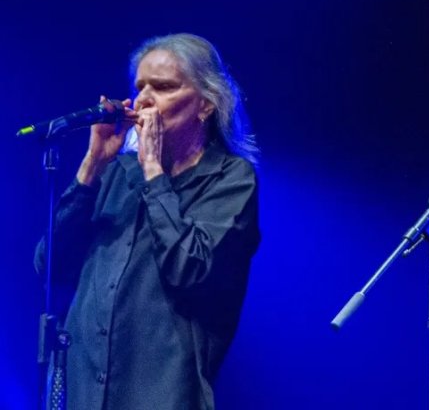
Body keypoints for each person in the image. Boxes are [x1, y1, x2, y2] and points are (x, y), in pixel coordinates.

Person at [35, 33, 260, 410]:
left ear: (205, 105)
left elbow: (189, 269)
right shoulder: (118, 173)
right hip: (84, 393)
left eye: (164, 87)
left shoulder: (231, 179)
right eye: (139, 86)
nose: (143, 99)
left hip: (161, 394)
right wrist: (92, 166)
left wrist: (154, 171)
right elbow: (50, 266)